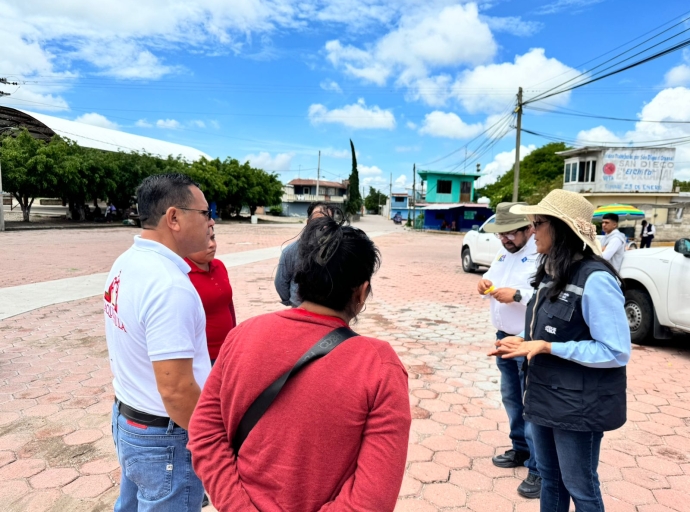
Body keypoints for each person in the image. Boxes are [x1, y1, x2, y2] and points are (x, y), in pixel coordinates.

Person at [188, 213, 411, 512]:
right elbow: (372, 499)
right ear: (361, 291)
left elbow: (204, 434)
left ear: (298, 279)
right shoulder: (380, 366)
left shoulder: (242, 335)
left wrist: (238, 505)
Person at [490, 189, 631, 512]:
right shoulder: (551, 272)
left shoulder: (595, 278)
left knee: (580, 487)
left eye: (538, 224)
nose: (532, 231)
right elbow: (547, 327)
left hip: (578, 406)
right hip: (544, 396)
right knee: (550, 481)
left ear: (561, 229)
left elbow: (616, 350)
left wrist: (548, 347)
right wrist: (525, 343)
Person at [105, 173, 215, 511]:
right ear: (174, 218)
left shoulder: (126, 262)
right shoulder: (169, 286)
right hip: (164, 438)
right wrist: (213, 441)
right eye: (206, 212)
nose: (211, 221)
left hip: (130, 420)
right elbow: (176, 389)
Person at [477, 202, 541, 499]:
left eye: (510, 233)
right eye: (500, 234)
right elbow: (492, 276)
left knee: (533, 404)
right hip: (503, 339)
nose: (504, 238)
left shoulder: (541, 255)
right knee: (512, 399)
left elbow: (547, 295)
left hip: (527, 342)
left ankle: (540, 468)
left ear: (529, 229)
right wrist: (485, 284)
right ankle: (520, 449)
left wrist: (517, 294)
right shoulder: (505, 252)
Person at [274, 202, 332, 307]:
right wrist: (292, 301)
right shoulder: (290, 251)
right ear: (308, 222)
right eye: (318, 219)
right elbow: (280, 282)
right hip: (299, 308)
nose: (322, 224)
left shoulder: (339, 251)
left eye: (327, 220)